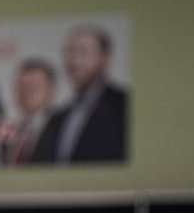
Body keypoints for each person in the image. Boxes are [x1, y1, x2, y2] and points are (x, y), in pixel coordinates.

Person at [30, 25, 128, 164]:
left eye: (83, 52)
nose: (74, 61)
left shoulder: (122, 105)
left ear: (104, 59)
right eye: (70, 52)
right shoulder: (59, 117)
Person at [0, 58, 56, 167]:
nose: (27, 92)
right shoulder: (10, 132)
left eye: (34, 86)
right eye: (22, 86)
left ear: (51, 91)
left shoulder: (59, 128)